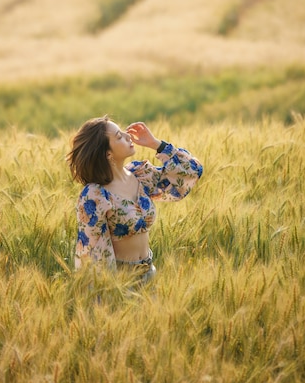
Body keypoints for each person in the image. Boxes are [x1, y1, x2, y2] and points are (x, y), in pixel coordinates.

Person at [67, 116, 203, 282]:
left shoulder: (140, 174)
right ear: (107, 153)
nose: (128, 136)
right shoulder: (95, 195)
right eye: (119, 136)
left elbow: (192, 172)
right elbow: (92, 254)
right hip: (121, 281)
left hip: (150, 275)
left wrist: (156, 144)